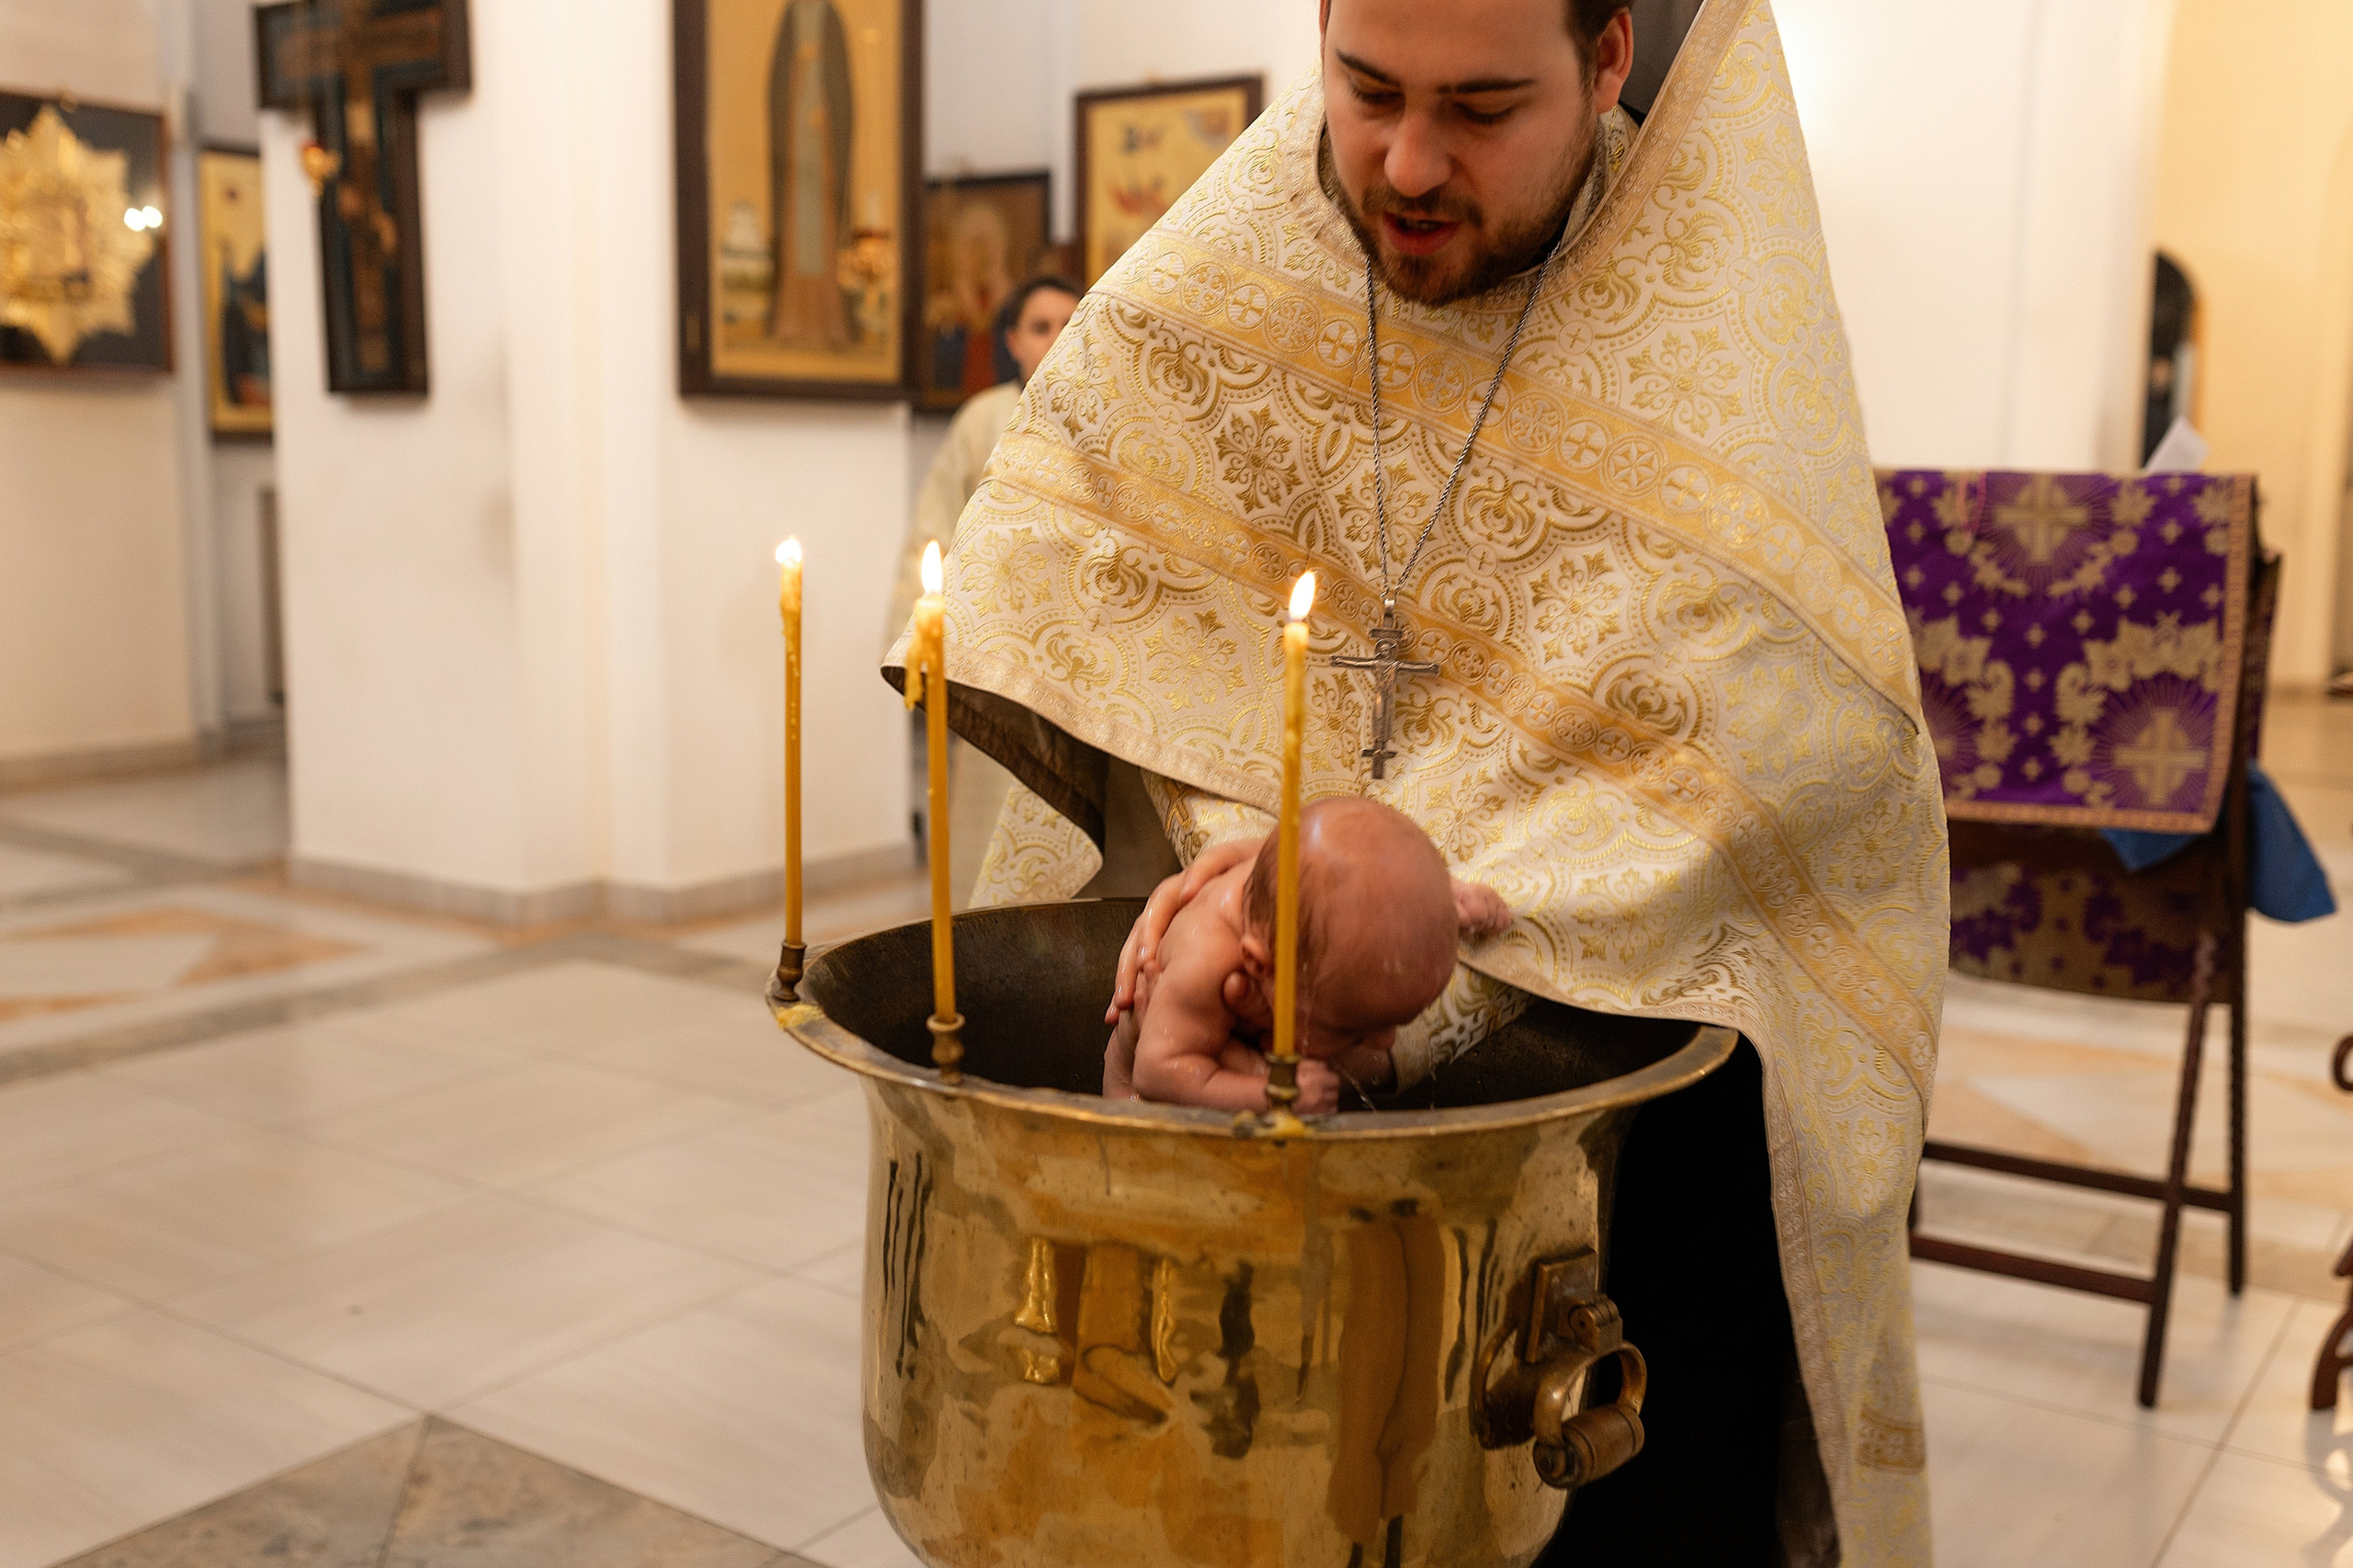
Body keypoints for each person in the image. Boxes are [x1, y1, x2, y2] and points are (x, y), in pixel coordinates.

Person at [887, 2, 1944, 1562]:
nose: (1406, 160)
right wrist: (1260, 888)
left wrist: (1403, 941)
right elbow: (1037, 593)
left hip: (1606, 1169)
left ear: (1603, 64)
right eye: (1365, 87)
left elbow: (1802, 762)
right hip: (1246, 1149)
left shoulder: (1711, 344)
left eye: (1482, 107)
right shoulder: (1216, 285)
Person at [1108, 798, 1509, 1112]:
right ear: (1261, 965)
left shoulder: (1288, 885)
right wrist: (1271, 1095)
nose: (1386, 1042)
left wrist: (1441, 901)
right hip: (1155, 1107)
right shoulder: (1205, 962)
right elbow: (1157, 1072)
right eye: (1348, 1029)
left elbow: (1367, 887)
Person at [886, 276, 1082, 905]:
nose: (1055, 338)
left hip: (1080, 658)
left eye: (1069, 322)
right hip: (995, 651)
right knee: (986, 824)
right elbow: (933, 532)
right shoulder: (981, 420)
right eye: (1040, 326)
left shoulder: (1109, 412)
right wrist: (919, 627)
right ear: (1012, 341)